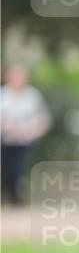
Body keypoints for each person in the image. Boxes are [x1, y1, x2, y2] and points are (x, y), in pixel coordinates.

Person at [0, 62, 51, 204]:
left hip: (24, 142)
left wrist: (30, 132)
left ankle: (15, 197)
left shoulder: (33, 96)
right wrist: (8, 127)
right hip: (4, 141)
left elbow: (43, 120)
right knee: (6, 171)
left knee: (17, 171)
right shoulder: (2, 95)